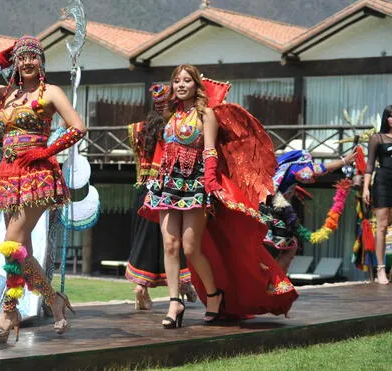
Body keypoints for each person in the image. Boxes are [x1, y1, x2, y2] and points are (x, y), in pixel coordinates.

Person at [139, 64, 298, 328]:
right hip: (167, 185)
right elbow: (160, 147)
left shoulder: (206, 114)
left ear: (195, 86)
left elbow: (210, 151)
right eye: (176, 81)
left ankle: (214, 296)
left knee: (190, 248)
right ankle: (174, 302)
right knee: (170, 245)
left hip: (195, 185)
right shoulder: (168, 114)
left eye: (186, 80)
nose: (180, 85)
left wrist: (210, 182)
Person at [0, 36, 86, 343]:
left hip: (36, 174)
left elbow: (79, 128)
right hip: (6, 174)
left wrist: (47, 151)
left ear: (41, 62)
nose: (27, 62)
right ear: (15, 63)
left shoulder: (51, 92)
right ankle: (54, 299)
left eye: (33, 57)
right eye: (21, 58)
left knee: (10, 243)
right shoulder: (7, 93)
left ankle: (8, 311)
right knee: (21, 252)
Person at [126, 113, 195, 310]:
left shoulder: (136, 129)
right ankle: (184, 284)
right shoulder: (177, 128)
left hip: (142, 191)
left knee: (143, 241)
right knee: (174, 241)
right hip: (168, 190)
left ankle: (141, 287)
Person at [262, 149, 356, 273]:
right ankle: (274, 283)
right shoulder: (295, 169)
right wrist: (344, 161)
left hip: (266, 212)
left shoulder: (283, 174)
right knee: (288, 247)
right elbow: (316, 171)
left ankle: (271, 281)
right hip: (265, 214)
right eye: (308, 165)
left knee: (286, 247)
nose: (310, 179)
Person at [363, 105, 392, 284]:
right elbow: (370, 165)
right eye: (389, 116)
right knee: (381, 226)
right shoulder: (377, 138)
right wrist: (366, 188)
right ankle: (380, 269)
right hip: (382, 182)